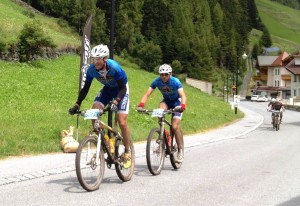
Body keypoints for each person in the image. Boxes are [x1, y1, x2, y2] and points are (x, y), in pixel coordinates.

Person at [69, 44, 132, 168]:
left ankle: (127, 151)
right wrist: (77, 104)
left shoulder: (114, 67)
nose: (95, 62)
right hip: (108, 89)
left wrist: (116, 102)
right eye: (94, 59)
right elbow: (85, 88)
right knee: (94, 112)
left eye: (98, 59)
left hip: (121, 91)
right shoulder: (91, 70)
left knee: (122, 122)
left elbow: (123, 88)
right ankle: (105, 141)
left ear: (104, 58)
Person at [137, 64, 187, 163]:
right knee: (159, 112)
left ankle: (180, 150)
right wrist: (141, 105)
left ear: (170, 74)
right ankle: (164, 134)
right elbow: (147, 94)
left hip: (177, 102)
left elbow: (183, 95)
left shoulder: (175, 81)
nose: (164, 76)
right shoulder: (156, 81)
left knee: (174, 126)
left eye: (166, 74)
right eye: (161, 74)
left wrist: (182, 106)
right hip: (166, 101)